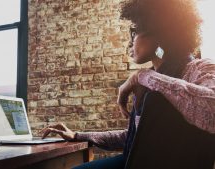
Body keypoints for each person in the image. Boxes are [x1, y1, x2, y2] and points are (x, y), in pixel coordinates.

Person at [41, 0, 215, 168]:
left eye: (134, 32)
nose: (129, 43)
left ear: (158, 32)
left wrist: (143, 76)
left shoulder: (200, 68)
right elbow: (134, 138)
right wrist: (78, 135)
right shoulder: (150, 81)